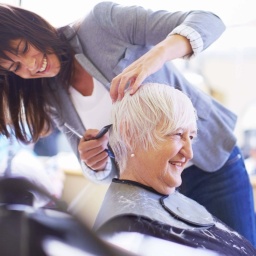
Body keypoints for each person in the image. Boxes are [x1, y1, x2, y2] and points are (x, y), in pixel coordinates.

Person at [0, 1, 255, 245]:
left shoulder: (101, 24)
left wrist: (156, 55)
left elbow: (209, 21)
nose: (31, 66)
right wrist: (93, 161)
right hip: (156, 193)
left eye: (24, 49)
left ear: (31, 26)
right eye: (15, 67)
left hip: (210, 166)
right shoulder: (49, 96)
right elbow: (100, 174)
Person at [94, 83, 256, 255]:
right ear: (129, 134)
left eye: (191, 137)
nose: (189, 153)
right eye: (177, 134)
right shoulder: (127, 232)